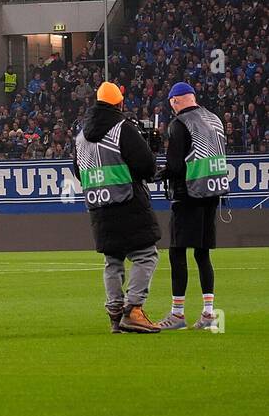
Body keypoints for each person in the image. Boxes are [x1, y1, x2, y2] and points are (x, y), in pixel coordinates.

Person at [73, 82, 162, 333]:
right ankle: (133, 310)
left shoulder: (81, 137)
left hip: (98, 207)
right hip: (128, 203)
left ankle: (115, 314)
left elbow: (78, 171)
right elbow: (147, 167)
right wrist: (149, 150)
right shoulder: (122, 128)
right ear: (119, 103)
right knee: (146, 255)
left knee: (113, 260)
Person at [158, 83, 228, 331]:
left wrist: (160, 174)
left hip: (189, 193)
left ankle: (177, 314)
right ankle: (208, 313)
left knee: (177, 251)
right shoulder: (214, 119)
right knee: (202, 252)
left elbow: (176, 165)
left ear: (174, 101)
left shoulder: (180, 124)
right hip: (213, 192)